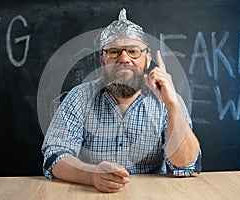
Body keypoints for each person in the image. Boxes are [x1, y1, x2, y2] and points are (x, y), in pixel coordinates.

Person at [42, 8, 201, 193]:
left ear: (147, 60)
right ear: (102, 60)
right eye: (114, 52)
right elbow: (55, 155)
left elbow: (185, 166)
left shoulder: (168, 99)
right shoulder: (80, 97)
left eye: (133, 51)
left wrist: (172, 105)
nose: (124, 58)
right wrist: (91, 175)